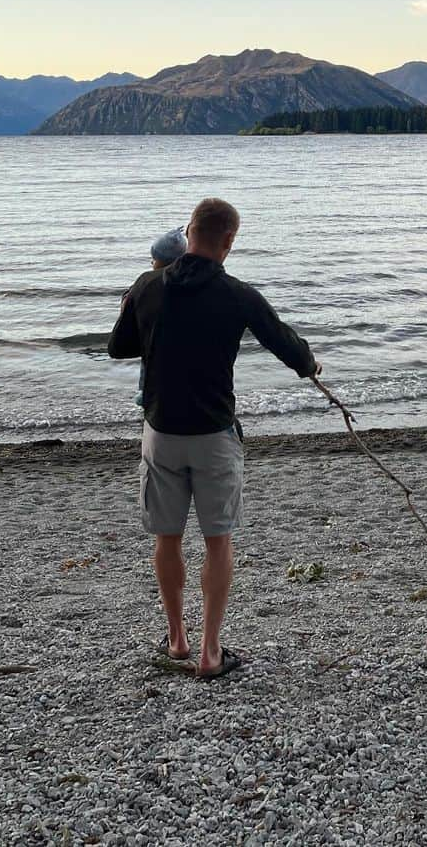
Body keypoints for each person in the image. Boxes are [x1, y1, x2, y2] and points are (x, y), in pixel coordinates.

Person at [107, 197, 319, 680]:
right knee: (217, 542)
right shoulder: (238, 294)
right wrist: (312, 366)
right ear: (229, 241)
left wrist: (132, 310)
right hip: (214, 434)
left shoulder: (147, 285)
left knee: (168, 538)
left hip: (161, 431)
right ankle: (210, 651)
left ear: (189, 231)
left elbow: (119, 348)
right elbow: (285, 344)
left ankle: (177, 639)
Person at [131, 228, 187, 408]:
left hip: (155, 366)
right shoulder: (188, 285)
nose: (151, 263)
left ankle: (144, 396)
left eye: (154, 260)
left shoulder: (147, 285)